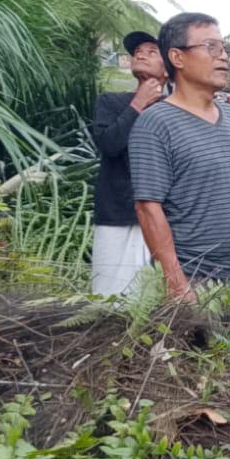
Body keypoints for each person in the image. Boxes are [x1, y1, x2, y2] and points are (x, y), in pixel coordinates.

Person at [129, 12, 230, 339]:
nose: (223, 56)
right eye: (211, 47)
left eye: (224, 48)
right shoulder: (155, 124)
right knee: (197, 382)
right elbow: (147, 207)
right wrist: (176, 282)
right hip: (194, 284)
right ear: (177, 57)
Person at [89, 30, 165, 296]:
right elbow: (109, 144)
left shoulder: (174, 109)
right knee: (107, 296)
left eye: (151, 51)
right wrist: (138, 103)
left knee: (155, 300)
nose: (140, 54)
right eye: (136, 52)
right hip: (117, 215)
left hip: (164, 218)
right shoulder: (110, 102)